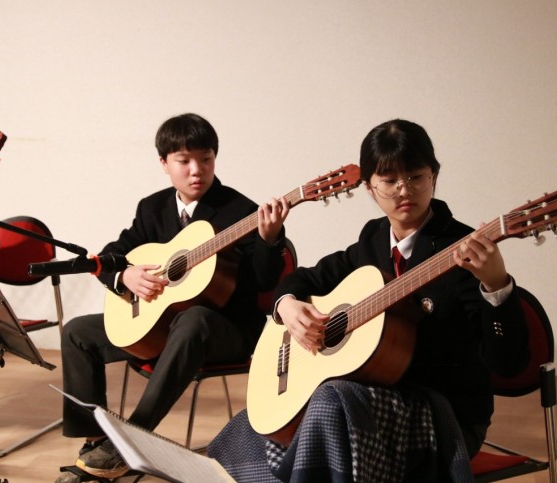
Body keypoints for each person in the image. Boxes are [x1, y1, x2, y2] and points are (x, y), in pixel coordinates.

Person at [207, 119, 530, 482]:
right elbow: (304, 278)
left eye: (416, 177)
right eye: (390, 181)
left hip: (440, 415)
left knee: (328, 404)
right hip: (364, 401)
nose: (404, 190)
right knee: (260, 420)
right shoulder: (372, 240)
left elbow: (508, 363)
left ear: (434, 177)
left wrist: (496, 285)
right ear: (370, 189)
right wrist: (286, 305)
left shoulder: (463, 250)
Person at [55, 113, 290, 482]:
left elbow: (265, 281)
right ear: (164, 163)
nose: (197, 170)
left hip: (224, 331)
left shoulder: (240, 210)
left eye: (206, 159)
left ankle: (133, 438)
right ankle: (96, 443)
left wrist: (269, 239)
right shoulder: (153, 208)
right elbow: (111, 256)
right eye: (184, 161)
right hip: (163, 327)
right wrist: (124, 275)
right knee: (77, 332)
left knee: (193, 319)